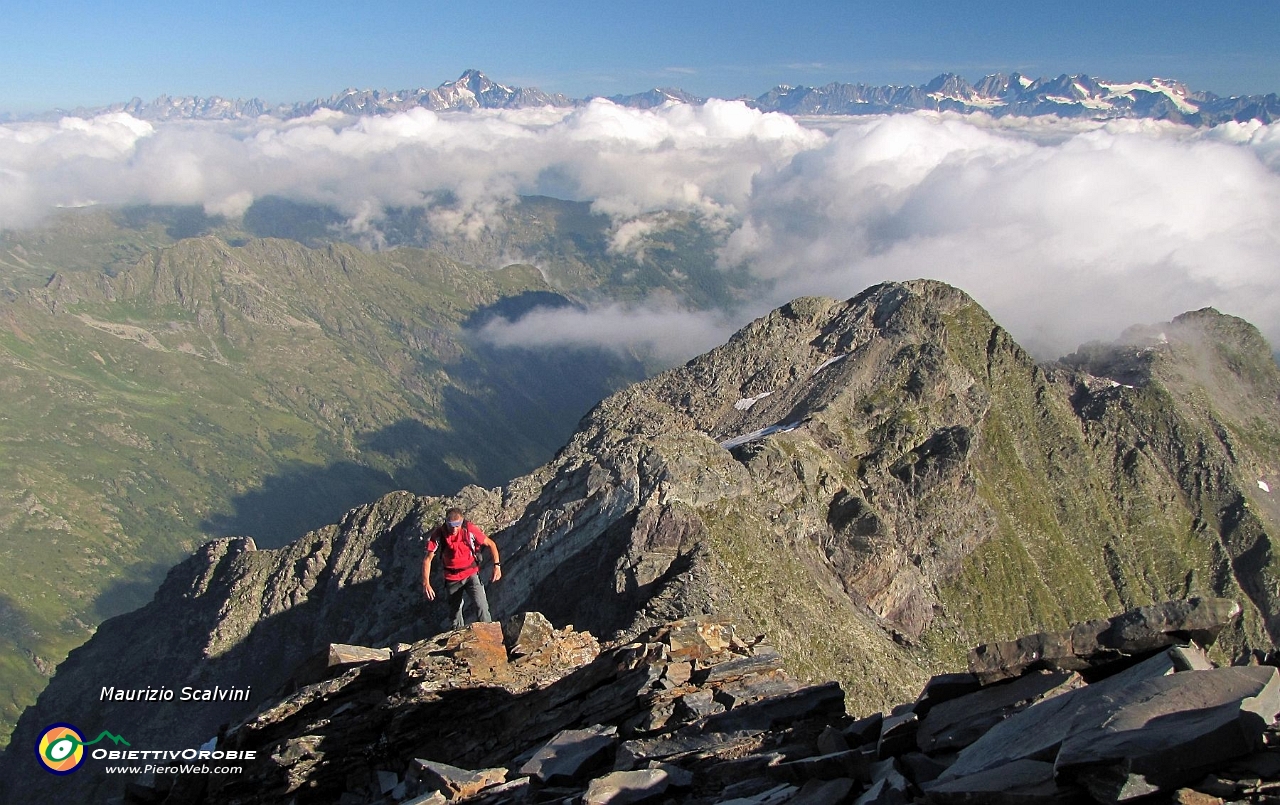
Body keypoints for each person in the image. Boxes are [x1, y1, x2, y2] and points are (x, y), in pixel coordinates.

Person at [423, 508, 502, 630]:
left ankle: (490, 636)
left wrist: (497, 566)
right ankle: (458, 639)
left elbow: (491, 544)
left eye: (457, 525)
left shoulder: (469, 530)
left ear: (462, 522)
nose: (454, 529)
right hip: (452, 578)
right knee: (455, 613)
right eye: (451, 525)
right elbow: (427, 560)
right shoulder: (439, 535)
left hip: (471, 574)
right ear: (446, 522)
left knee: (481, 606)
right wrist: (426, 584)